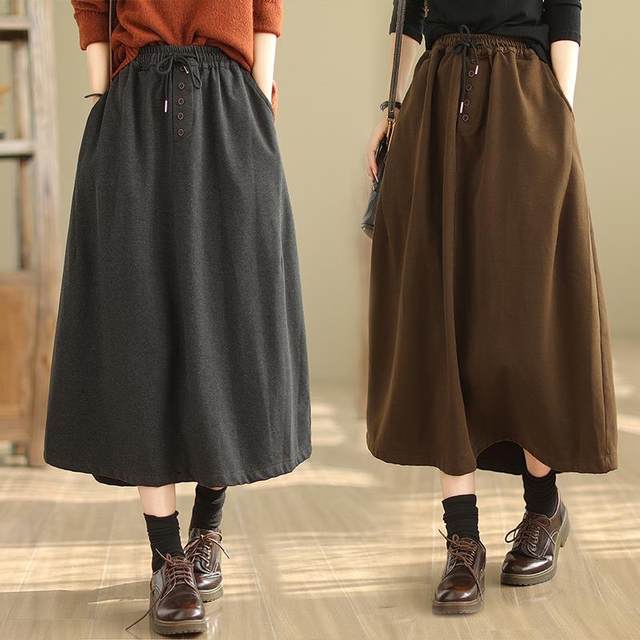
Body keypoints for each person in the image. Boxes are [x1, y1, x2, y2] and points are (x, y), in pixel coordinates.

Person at [44, 1, 311, 635]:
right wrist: (103, 98)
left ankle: (206, 528)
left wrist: (259, 95)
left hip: (231, 105)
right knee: (140, 328)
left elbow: (266, 9)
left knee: (231, 323)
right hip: (134, 111)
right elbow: (91, 6)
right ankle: (167, 558)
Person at [366, 0, 616, 614]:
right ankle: (462, 538)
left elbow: (564, 14)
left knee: (525, 323)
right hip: (435, 101)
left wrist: (558, 117)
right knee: (441, 317)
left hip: (524, 103)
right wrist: (392, 110)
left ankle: (542, 508)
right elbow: (408, 16)